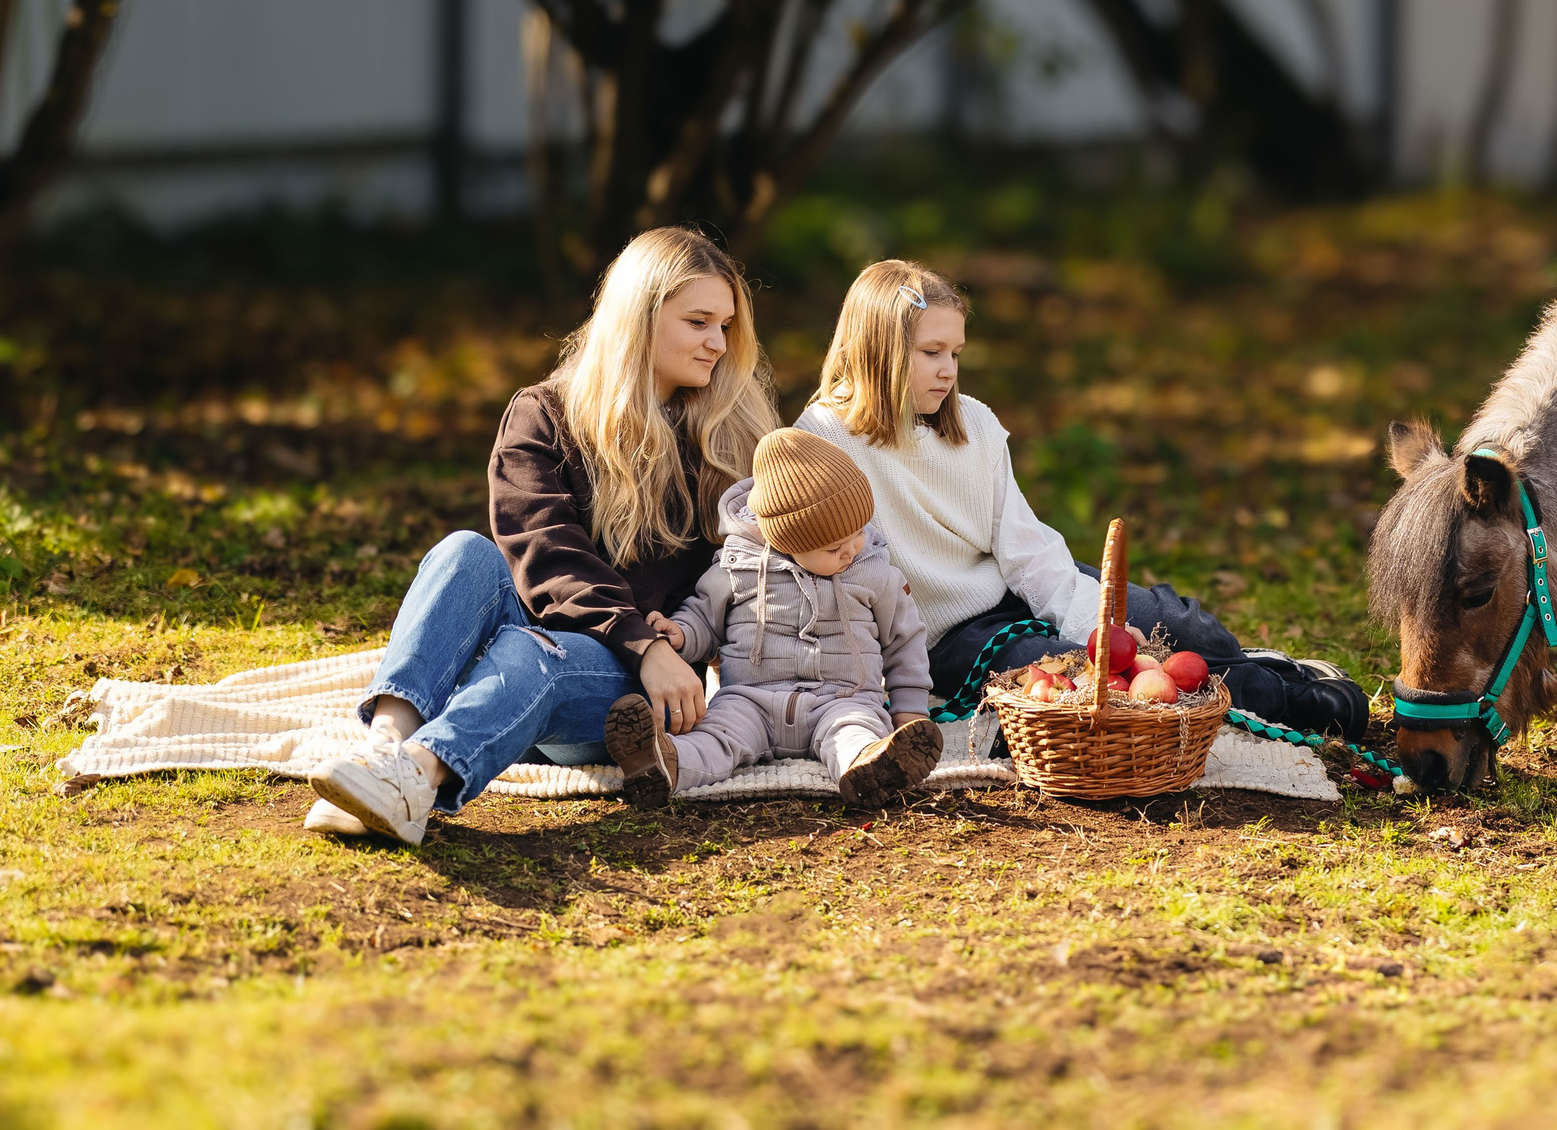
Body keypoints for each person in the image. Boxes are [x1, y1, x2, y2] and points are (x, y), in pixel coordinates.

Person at [306, 227, 774, 844]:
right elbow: (545, 548)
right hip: (560, 634)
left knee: (533, 654)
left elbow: (750, 574)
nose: (717, 344)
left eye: (725, 327)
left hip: (628, 684)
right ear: (639, 319)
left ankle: (418, 777)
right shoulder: (545, 412)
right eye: (699, 322)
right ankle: (385, 752)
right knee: (463, 553)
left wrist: (664, 648)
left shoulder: (729, 437)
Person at [793, 259, 1368, 739]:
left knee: (1178, 625)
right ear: (879, 349)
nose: (949, 372)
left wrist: (1097, 623)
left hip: (1013, 587)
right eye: (931, 353)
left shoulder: (974, 424)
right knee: (1077, 675)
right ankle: (1286, 703)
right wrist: (1089, 647)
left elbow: (1022, 545)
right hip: (946, 635)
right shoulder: (826, 436)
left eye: (956, 354)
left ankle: (1271, 674)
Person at [606, 429, 944, 806]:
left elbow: (905, 640)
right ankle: (666, 765)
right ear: (787, 540)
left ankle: (871, 770)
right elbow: (704, 618)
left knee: (853, 731)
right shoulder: (736, 567)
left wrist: (910, 710)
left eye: (858, 534)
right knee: (717, 737)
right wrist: (682, 635)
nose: (852, 550)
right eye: (835, 547)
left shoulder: (874, 574)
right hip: (750, 698)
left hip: (841, 698)